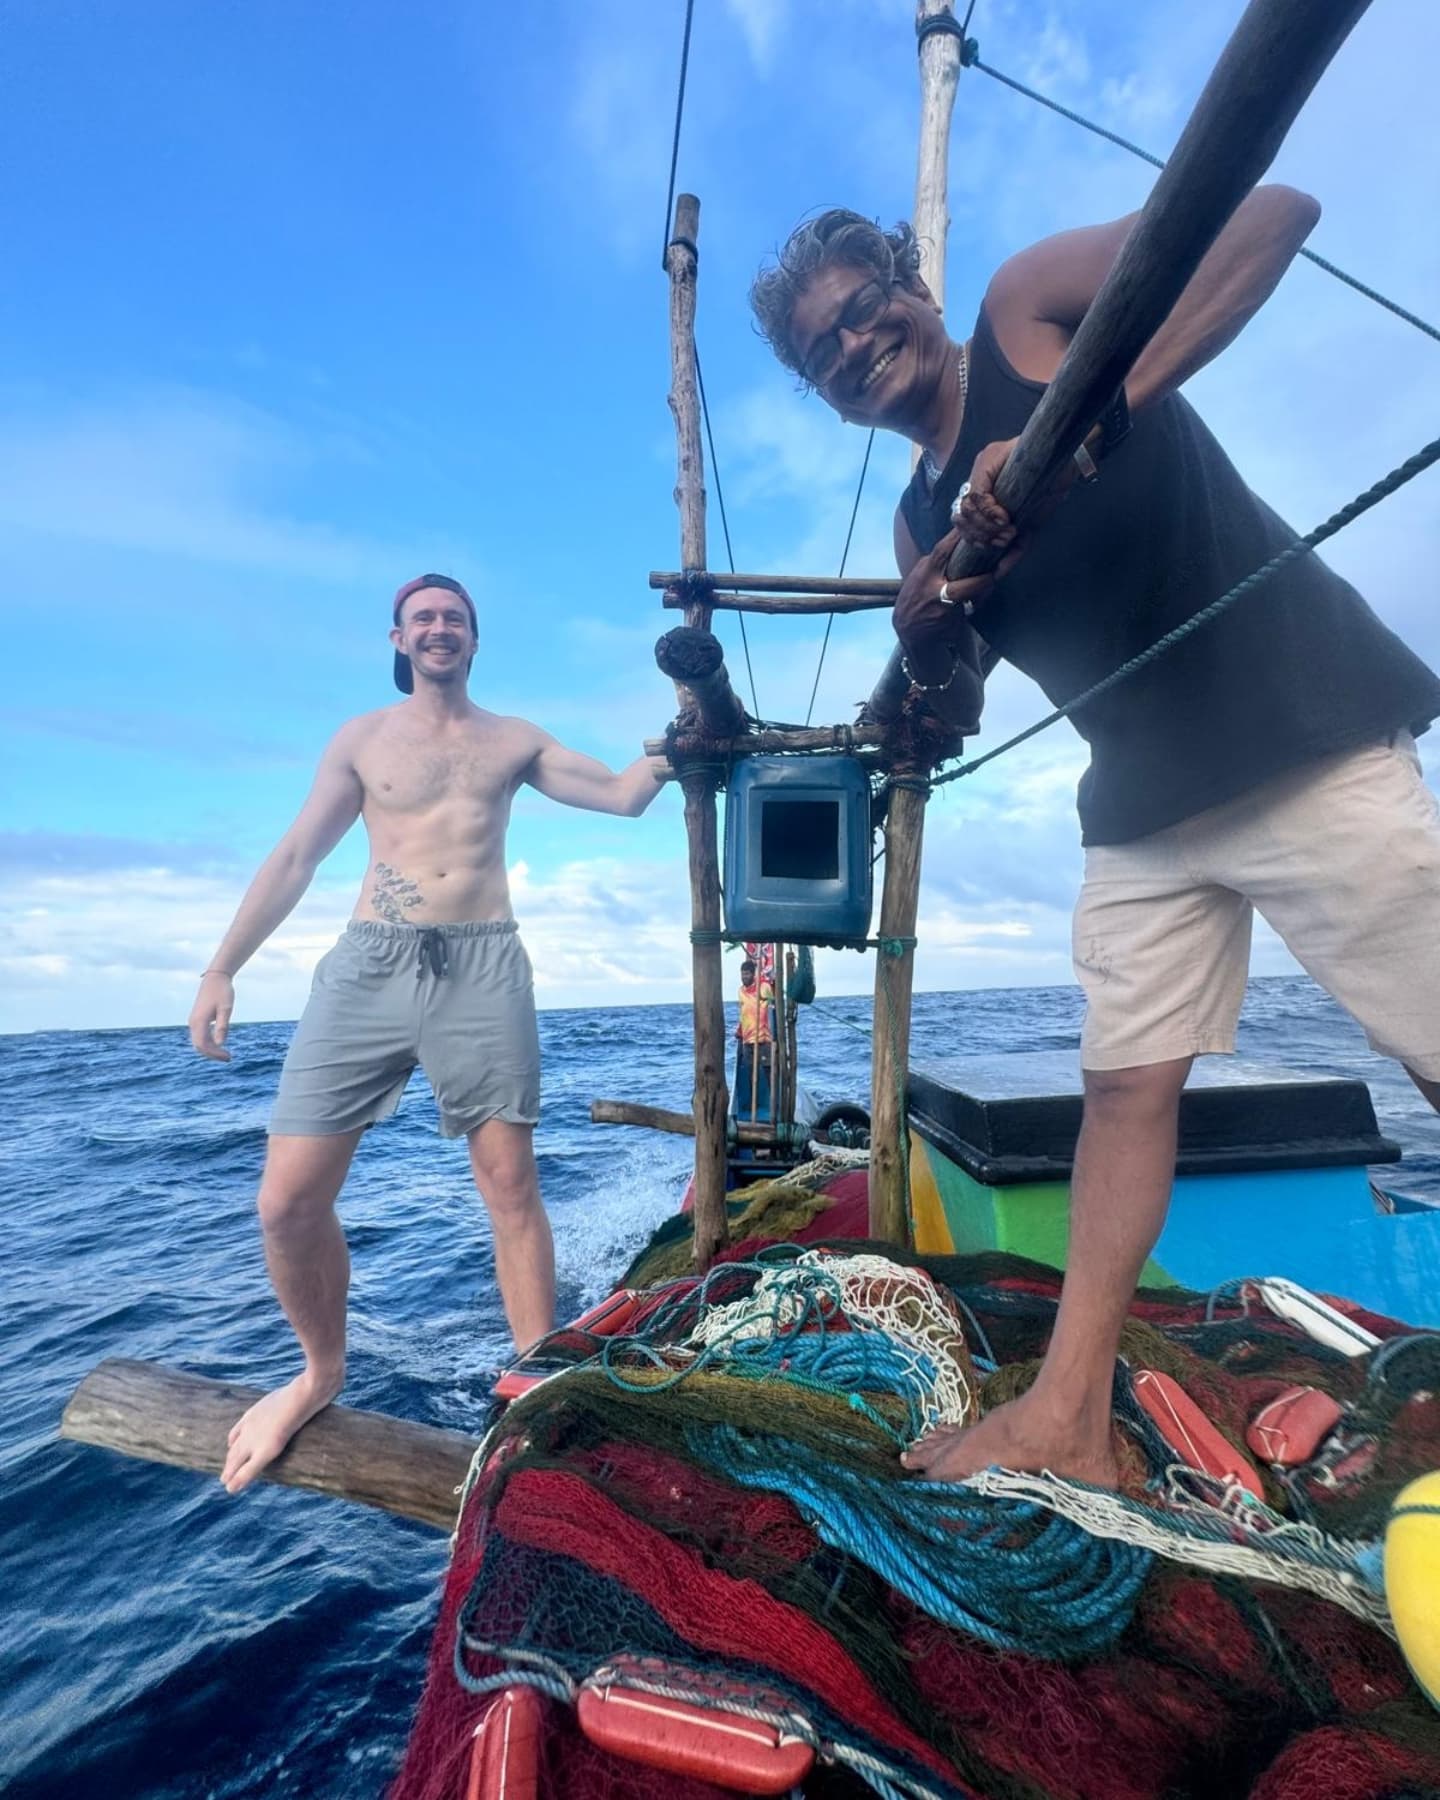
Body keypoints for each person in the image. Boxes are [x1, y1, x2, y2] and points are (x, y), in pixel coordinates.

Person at [750, 202, 1440, 1485]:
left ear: (917, 291)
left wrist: (1091, 417)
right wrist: (925, 634)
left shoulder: (1024, 305)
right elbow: (957, 703)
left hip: (1300, 730)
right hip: (1142, 799)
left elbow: (1269, 217)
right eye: (818, 350)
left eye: (861, 308)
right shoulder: (916, 518)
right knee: (1122, 1088)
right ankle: (1068, 1418)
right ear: (822, 397)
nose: (850, 345)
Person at [188, 573, 668, 1494]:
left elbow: (620, 795)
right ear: (399, 640)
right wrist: (221, 968)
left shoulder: (514, 739)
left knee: (511, 1185)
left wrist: (680, 742)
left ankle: (538, 1380)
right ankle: (319, 1373)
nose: (439, 627)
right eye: (423, 618)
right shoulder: (362, 740)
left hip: (483, 964)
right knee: (286, 1203)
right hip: (370, 965)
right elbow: (296, 856)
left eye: (454, 617)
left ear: (475, 640)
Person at [734, 956, 775, 1122]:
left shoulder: (763, 987)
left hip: (763, 1038)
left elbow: (772, 1004)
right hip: (747, 1040)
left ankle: (774, 1106)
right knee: (751, 1074)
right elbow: (742, 1013)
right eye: (742, 974)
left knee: (768, 1071)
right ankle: (753, 1107)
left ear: (753, 974)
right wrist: (739, 1031)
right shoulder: (740, 991)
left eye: (747, 974)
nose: (744, 977)